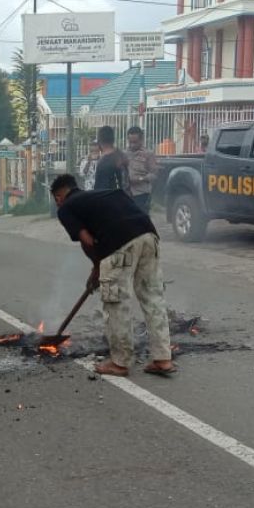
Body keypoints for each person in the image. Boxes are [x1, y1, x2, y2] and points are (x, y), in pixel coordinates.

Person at [52, 173, 175, 378]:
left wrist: (97, 266)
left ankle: (120, 362)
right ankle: (163, 358)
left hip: (119, 244)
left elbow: (88, 241)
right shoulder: (104, 195)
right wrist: (98, 268)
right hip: (148, 235)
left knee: (116, 303)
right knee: (153, 298)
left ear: (58, 197)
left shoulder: (66, 208)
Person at [126, 127, 156, 213]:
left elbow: (154, 175)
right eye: (130, 142)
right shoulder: (124, 154)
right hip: (126, 194)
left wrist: (140, 179)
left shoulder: (148, 154)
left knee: (140, 221)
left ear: (141, 140)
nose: (132, 145)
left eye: (135, 142)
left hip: (141, 194)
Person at [91, 126, 128, 193]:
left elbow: (101, 189)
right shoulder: (121, 155)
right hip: (123, 198)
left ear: (99, 141)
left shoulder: (104, 163)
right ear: (113, 140)